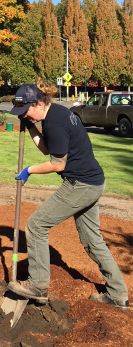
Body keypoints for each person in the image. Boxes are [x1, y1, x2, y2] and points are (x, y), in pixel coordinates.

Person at [7, 81, 129, 311]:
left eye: (25, 111)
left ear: (39, 103)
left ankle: (38, 285)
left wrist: (29, 170)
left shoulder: (56, 123)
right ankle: (118, 295)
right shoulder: (57, 114)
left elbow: (57, 164)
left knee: (36, 225)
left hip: (80, 185)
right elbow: (47, 148)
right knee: (92, 240)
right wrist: (30, 125)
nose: (23, 115)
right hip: (93, 181)